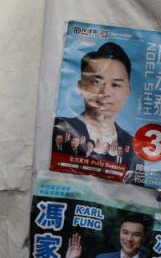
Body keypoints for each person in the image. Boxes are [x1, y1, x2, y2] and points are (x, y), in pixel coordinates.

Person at [52, 41, 143, 180]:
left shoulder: (134, 147)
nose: (105, 91)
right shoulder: (61, 129)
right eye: (97, 82)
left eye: (116, 84)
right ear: (81, 87)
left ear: (128, 91)